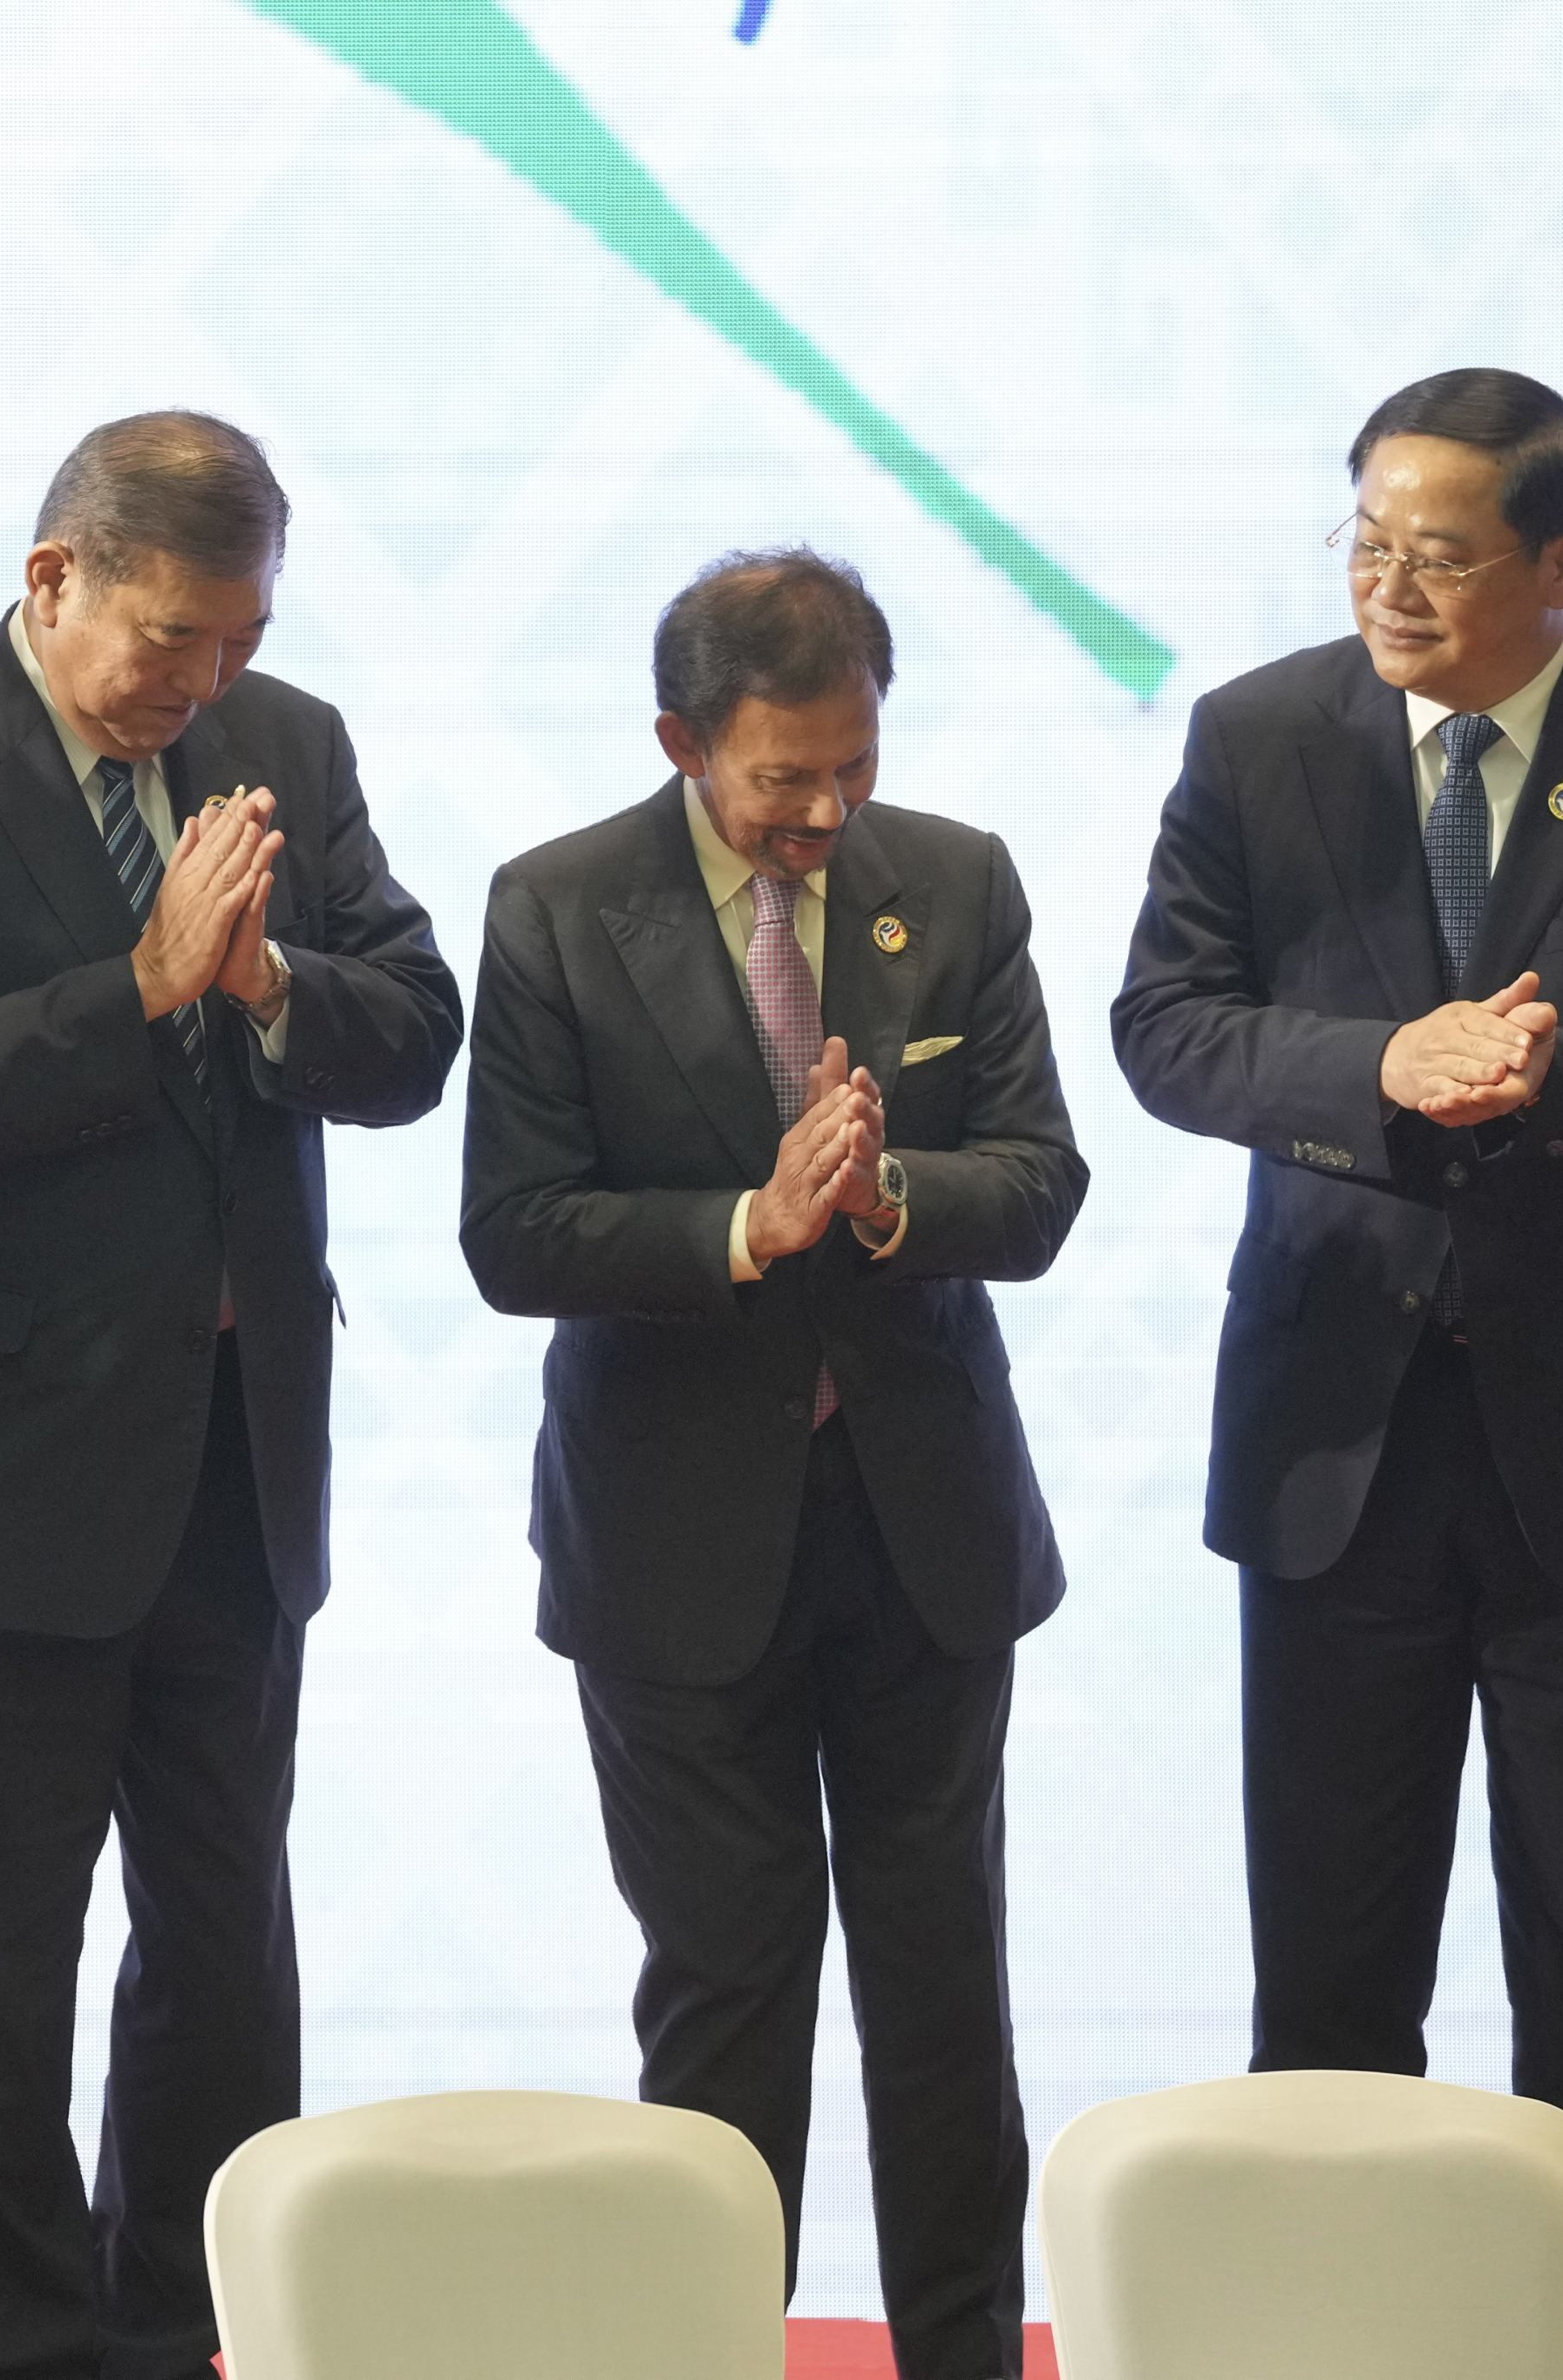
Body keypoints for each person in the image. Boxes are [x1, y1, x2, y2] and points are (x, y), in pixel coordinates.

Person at [1112, 367, 1563, 2378]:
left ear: (1557, 559)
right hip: (1333, 1443)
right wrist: (1372, 1069)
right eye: (1361, 540)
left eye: (1432, 552)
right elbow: (1166, 1024)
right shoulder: (1259, 737)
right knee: (1327, 1975)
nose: (1384, 585)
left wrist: (1552, 1072)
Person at [0, 411, 459, 2380]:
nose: (202, 682)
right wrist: (143, 987)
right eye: (169, 637)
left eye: (237, 639)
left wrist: (263, 990)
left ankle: (177, 2336)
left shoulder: (287, 750)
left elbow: (411, 1028)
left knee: (219, 1964)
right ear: (48, 577)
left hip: (229, 1479)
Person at [459, 547, 1084, 2380]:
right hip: (672, 1549)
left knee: (939, 1998)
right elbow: (514, 1234)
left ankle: (957, 2356)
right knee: (724, 2002)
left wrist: (889, 1195)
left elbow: (1037, 1184)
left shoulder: (951, 883)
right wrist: (745, 1220)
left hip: (921, 1534)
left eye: (850, 769)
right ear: (678, 743)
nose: (820, 812)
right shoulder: (559, 906)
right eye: (777, 779)